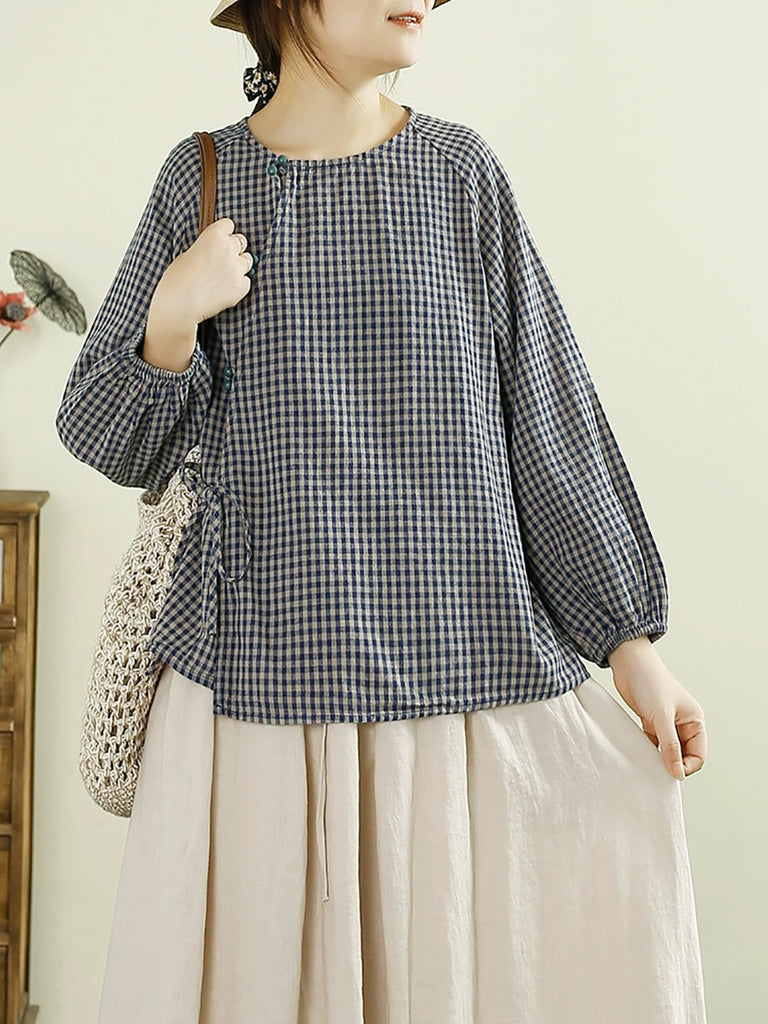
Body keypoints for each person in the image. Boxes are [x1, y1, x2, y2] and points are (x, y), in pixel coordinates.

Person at [55, 1, 709, 1021]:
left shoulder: (459, 172)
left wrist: (632, 646)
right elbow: (106, 432)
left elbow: (546, 414)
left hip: (459, 683)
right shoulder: (201, 178)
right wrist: (173, 316)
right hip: (257, 695)